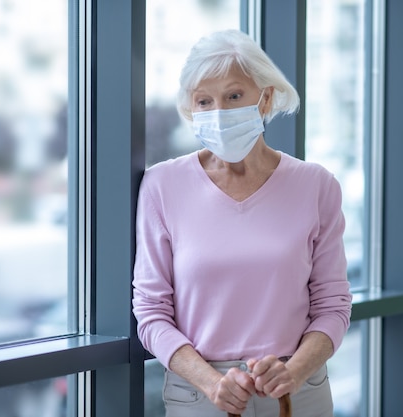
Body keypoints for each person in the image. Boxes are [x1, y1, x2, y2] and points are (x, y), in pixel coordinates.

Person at [132, 29, 352, 417]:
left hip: (296, 394)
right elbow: (151, 314)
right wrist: (211, 382)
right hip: (200, 396)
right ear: (191, 109)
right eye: (204, 101)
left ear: (265, 98)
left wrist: (294, 372)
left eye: (234, 96)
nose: (219, 112)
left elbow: (333, 306)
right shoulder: (162, 186)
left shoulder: (317, 186)